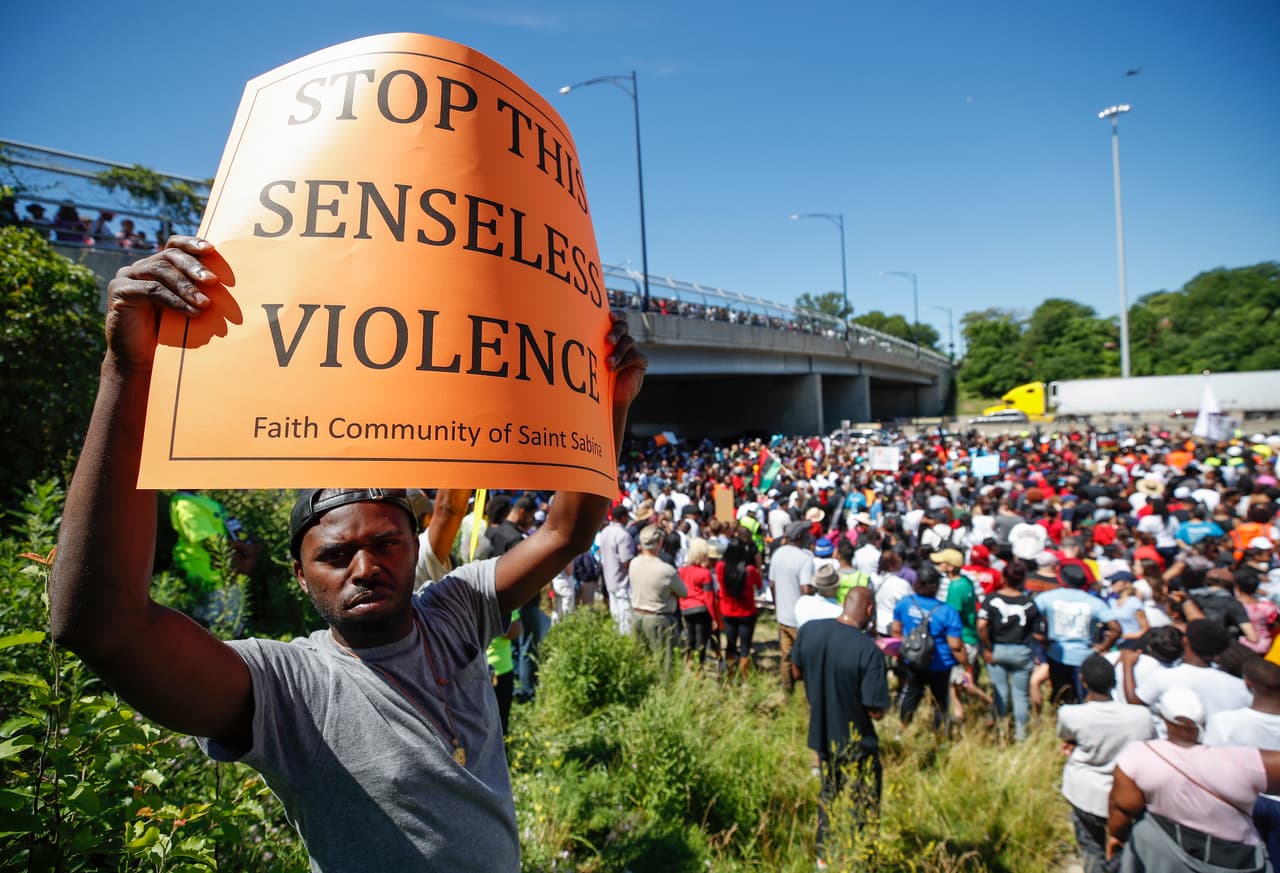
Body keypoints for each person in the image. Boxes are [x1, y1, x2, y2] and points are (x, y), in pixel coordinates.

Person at [47, 236, 647, 873]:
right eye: (337, 555)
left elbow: (565, 534)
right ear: (300, 576)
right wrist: (127, 372)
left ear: (414, 546)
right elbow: (102, 627)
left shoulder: (454, 613)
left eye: (387, 543)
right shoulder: (290, 690)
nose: (366, 568)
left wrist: (608, 402)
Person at [1107, 687, 1279, 872]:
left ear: (1165, 719)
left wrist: (1116, 836)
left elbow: (1124, 808)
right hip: (1236, 859)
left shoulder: (1139, 755)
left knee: (1143, 831)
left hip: (1168, 858)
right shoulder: (1243, 761)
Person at [790, 588, 890, 869]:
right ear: (869, 610)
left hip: (822, 735)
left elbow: (796, 671)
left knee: (829, 795)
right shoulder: (868, 651)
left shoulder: (810, 631)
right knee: (864, 804)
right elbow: (875, 709)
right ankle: (862, 858)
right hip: (857, 741)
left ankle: (824, 856)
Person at [1057, 654, 1155, 873]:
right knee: (1124, 850)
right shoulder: (1142, 715)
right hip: (1128, 796)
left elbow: (1066, 735)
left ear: (1083, 681)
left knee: (1091, 848)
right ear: (1114, 682)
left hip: (1085, 794)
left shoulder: (1070, 714)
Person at [891, 564, 969, 730]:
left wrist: (901, 653)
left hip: (913, 659)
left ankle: (903, 728)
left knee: (911, 694)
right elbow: (955, 645)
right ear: (936, 586)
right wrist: (967, 666)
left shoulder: (905, 603)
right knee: (940, 700)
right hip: (940, 664)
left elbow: (896, 631)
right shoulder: (947, 611)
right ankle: (940, 732)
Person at [1036, 563, 1120, 704]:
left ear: (1061, 579)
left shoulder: (1046, 598)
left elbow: (1030, 616)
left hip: (1057, 653)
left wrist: (1040, 638)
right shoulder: (1094, 602)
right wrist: (1103, 646)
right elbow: (1116, 629)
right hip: (1084, 655)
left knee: (1060, 695)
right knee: (1083, 697)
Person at [979, 559, 1040, 740]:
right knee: (1021, 695)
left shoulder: (991, 599)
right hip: (1021, 651)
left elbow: (982, 625)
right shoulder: (1029, 603)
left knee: (1001, 693)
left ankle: (1002, 731)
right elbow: (1036, 632)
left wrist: (987, 647)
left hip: (997, 649)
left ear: (1004, 578)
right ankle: (1021, 734)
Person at [628, 524, 687, 672]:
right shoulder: (666, 570)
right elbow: (683, 592)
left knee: (640, 660)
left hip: (636, 615)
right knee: (664, 663)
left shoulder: (634, 563)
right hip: (658, 618)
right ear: (659, 543)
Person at [770, 521, 815, 692]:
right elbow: (806, 589)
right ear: (800, 536)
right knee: (806, 657)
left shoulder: (778, 554)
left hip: (783, 615)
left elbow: (772, 584)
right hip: (800, 619)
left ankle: (787, 691)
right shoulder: (804, 559)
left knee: (786, 655)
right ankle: (807, 692)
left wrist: (777, 604)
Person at [717, 538, 762, 679]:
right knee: (745, 647)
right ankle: (744, 677)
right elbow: (759, 584)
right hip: (746, 612)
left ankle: (730, 674)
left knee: (730, 645)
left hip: (727, 610)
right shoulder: (750, 571)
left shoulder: (721, 567)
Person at [677, 537, 720, 667]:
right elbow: (709, 598)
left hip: (686, 608)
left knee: (690, 637)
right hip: (701, 609)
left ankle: (689, 662)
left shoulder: (682, 571)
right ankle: (698, 666)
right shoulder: (705, 574)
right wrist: (714, 618)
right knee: (701, 640)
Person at [599, 504, 637, 634]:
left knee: (615, 615)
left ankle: (616, 640)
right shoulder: (623, 535)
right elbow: (625, 561)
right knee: (625, 618)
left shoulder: (605, 531)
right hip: (622, 582)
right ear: (623, 518)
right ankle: (625, 641)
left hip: (609, 578)